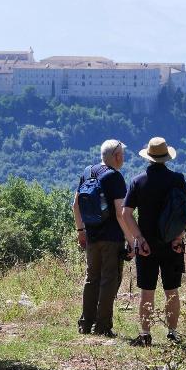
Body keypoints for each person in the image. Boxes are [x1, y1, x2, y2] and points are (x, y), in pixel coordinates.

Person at [122, 137, 186, 347]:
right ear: (166, 158)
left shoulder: (138, 181)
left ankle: (145, 335)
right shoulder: (178, 179)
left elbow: (126, 214)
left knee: (147, 292)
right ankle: (172, 334)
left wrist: (139, 239)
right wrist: (178, 237)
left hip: (147, 247)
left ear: (149, 157)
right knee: (171, 291)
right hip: (172, 244)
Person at [72, 139, 132, 337]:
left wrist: (81, 231)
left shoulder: (88, 172)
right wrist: (131, 241)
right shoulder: (114, 177)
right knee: (109, 280)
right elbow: (120, 213)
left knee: (91, 278)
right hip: (111, 238)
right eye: (122, 155)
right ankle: (103, 326)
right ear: (116, 156)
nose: (123, 158)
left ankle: (85, 323)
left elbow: (76, 205)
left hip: (91, 235)